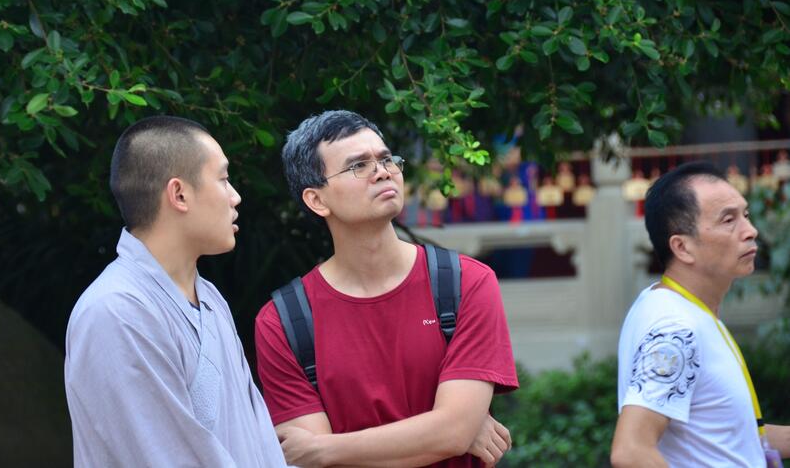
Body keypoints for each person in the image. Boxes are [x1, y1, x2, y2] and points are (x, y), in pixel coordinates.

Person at [254, 110, 519, 468]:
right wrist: (439, 433)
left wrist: (327, 448)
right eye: (357, 166)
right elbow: (309, 462)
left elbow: (453, 431)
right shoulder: (283, 321)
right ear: (317, 200)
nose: (382, 171)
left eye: (386, 158)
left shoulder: (464, 283)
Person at [64, 116, 287, 467]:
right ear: (179, 194)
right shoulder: (114, 312)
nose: (235, 197)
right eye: (224, 179)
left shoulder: (210, 299)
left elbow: (259, 440)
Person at [611, 161, 790, 467]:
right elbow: (631, 451)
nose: (750, 231)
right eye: (728, 220)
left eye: (745, 215)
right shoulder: (675, 327)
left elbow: (733, 440)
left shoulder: (686, 310)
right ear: (682, 247)